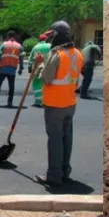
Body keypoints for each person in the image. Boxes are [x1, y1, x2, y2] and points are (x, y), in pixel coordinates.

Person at [34, 21, 83, 187]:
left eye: (51, 35)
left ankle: (54, 176)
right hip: (70, 103)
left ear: (56, 35)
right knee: (66, 138)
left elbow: (46, 79)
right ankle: (64, 172)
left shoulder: (57, 54)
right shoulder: (77, 53)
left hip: (55, 104)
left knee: (55, 140)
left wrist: (40, 63)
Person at [0, 31, 24, 107]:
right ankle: (10, 102)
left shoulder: (4, 45)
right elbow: (21, 59)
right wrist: (21, 68)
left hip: (2, 68)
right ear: (15, 36)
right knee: (11, 87)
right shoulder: (19, 46)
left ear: (7, 36)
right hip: (12, 70)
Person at [29, 33, 52, 108]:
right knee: (46, 85)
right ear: (46, 39)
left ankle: (38, 101)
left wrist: (30, 68)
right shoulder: (50, 46)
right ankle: (46, 101)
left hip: (37, 69)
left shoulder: (36, 47)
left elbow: (31, 59)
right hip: (48, 69)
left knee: (36, 84)